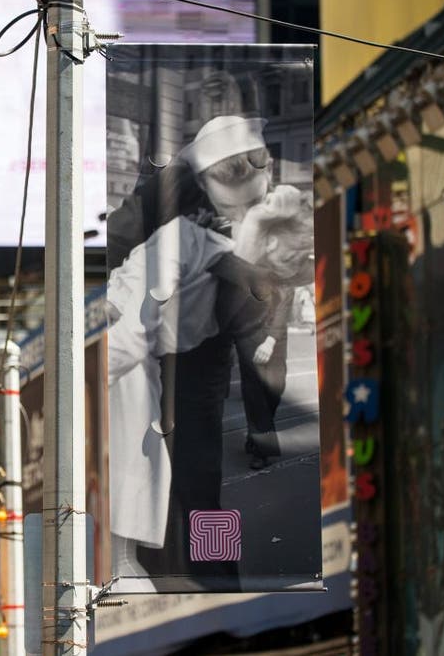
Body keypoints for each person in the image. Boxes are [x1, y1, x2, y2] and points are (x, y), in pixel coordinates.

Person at [107, 115, 312, 589]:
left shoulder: (268, 212)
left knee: (196, 485)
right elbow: (119, 244)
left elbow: (261, 310)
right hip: (154, 359)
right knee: (149, 477)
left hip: (196, 364)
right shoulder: (172, 210)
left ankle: (217, 580)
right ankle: (177, 574)